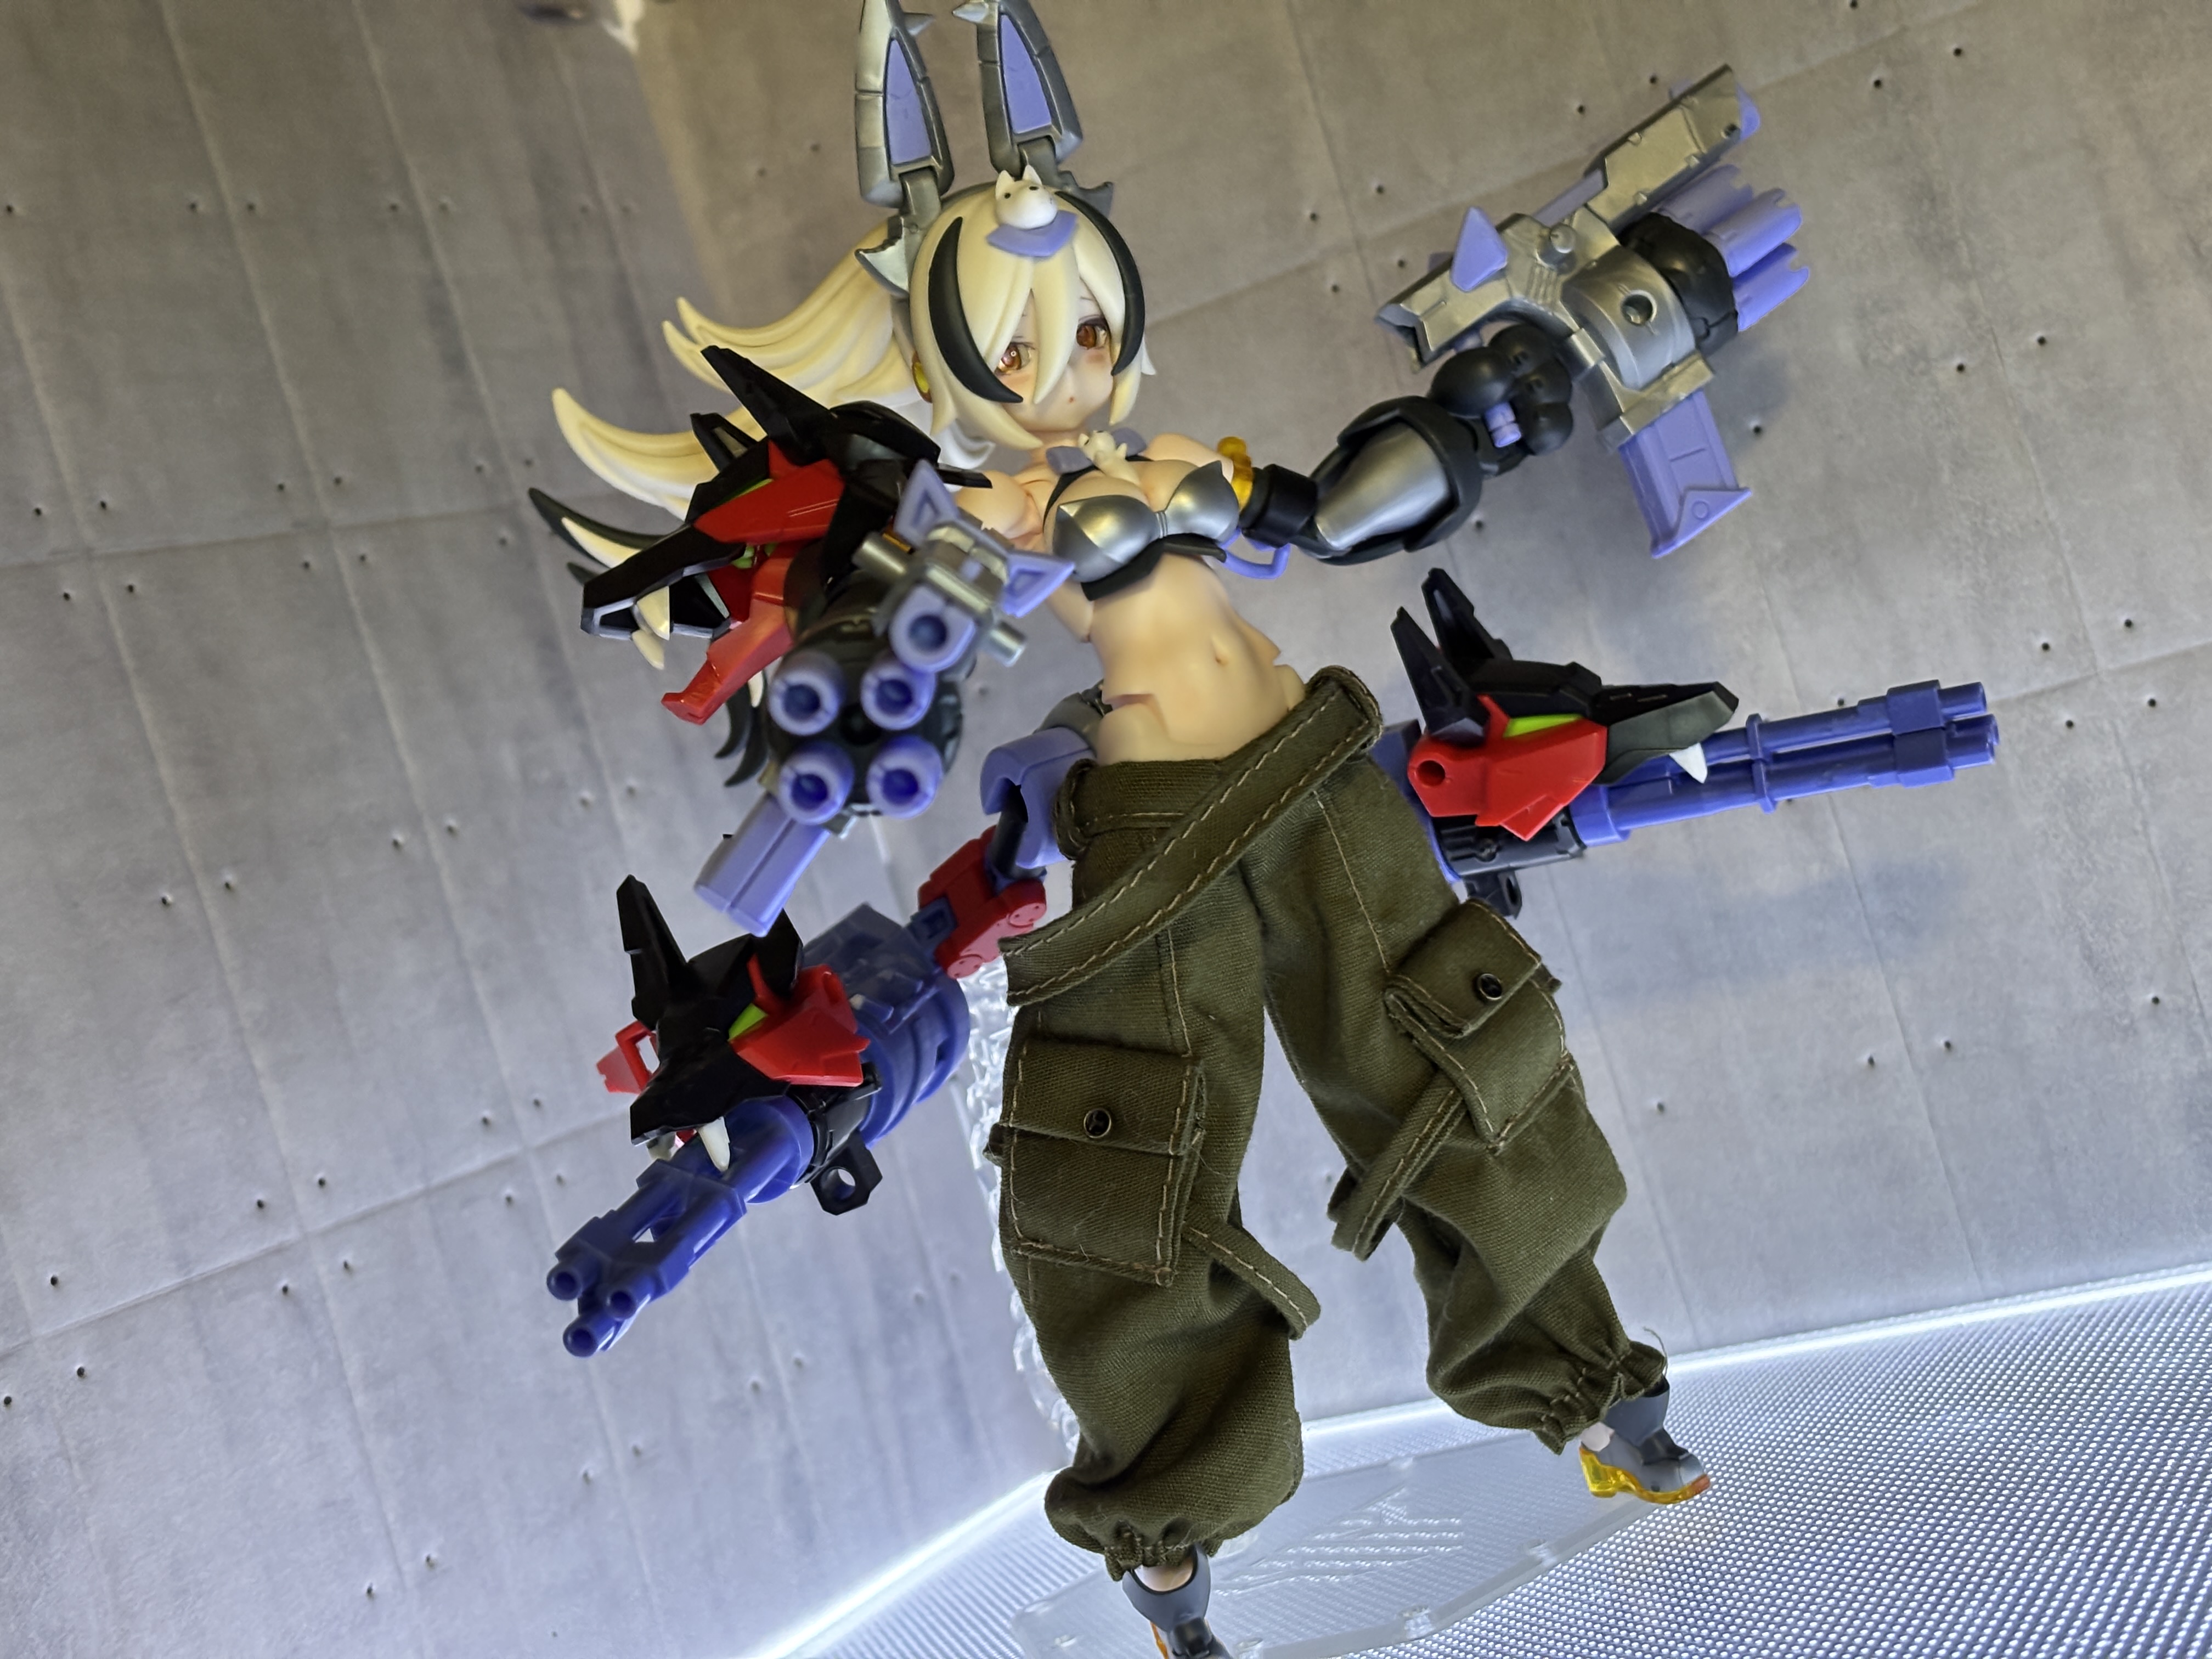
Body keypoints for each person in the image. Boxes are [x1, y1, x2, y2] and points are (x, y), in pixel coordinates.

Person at [554, 7, 1706, 1654]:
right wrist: (867, 675)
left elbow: (1327, 511)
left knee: (1464, 1065)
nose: (1064, 371)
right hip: (1152, 832)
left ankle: (1588, 1386)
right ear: (941, 366)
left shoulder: (1165, 454)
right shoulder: (991, 510)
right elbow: (928, 621)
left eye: (1083, 328)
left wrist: (1466, 427)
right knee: (1126, 1165)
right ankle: (1169, 1543)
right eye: (1015, 351)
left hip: (1316, 769)